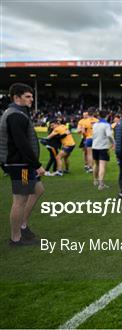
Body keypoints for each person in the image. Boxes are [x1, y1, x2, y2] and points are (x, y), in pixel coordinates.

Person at [0, 83, 45, 246]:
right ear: (16, 98)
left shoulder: (17, 113)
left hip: (22, 163)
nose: (31, 99)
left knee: (38, 189)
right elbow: (22, 143)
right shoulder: (16, 115)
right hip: (21, 165)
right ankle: (16, 238)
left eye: (31, 96)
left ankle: (22, 225)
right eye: (27, 96)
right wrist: (36, 165)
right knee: (20, 200)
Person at [92, 110, 115, 190]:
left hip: (95, 146)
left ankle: (95, 180)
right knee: (102, 165)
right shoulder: (106, 125)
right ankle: (101, 184)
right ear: (107, 116)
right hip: (103, 147)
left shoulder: (95, 124)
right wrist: (113, 143)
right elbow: (109, 135)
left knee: (96, 164)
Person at [79, 108, 98, 173]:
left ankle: (90, 167)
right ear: (94, 113)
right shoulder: (97, 120)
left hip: (88, 138)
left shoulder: (85, 121)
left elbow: (83, 131)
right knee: (96, 153)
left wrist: (85, 137)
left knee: (89, 154)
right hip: (96, 138)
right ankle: (97, 166)